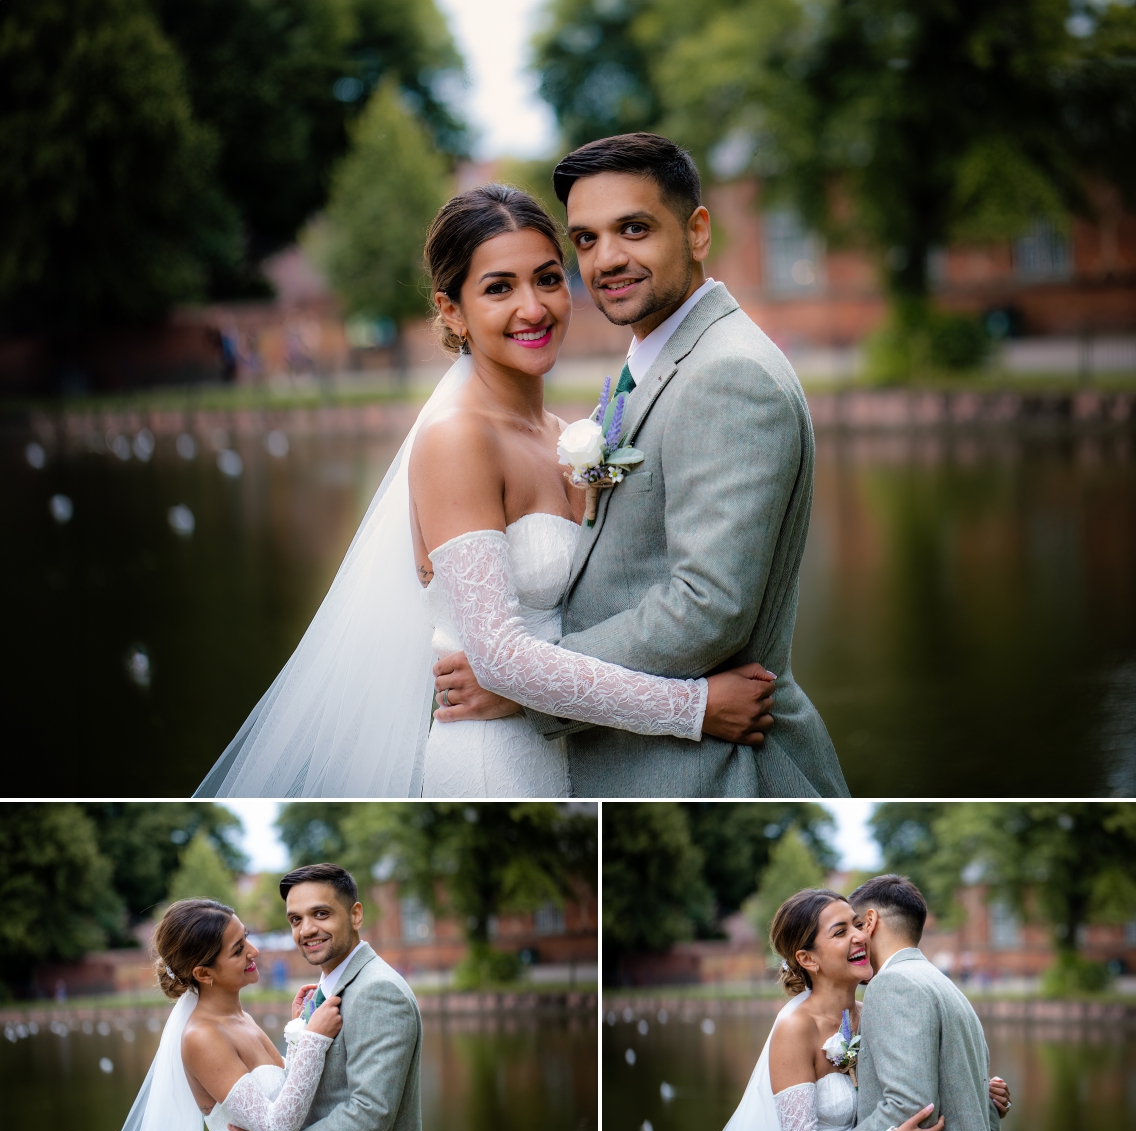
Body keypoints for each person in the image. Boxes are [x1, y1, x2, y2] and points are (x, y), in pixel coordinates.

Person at [194, 180, 782, 800]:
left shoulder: (566, 435)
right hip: (492, 763)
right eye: (499, 288)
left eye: (548, 279)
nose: (533, 308)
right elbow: (499, 656)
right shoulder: (457, 441)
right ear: (452, 311)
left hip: (567, 750)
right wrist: (693, 708)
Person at [678, 889, 1009, 1131]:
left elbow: (916, 1096)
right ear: (808, 959)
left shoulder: (877, 1013)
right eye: (840, 932)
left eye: (857, 924)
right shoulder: (795, 1028)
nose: (860, 936)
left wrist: (982, 1098)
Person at [88, 896, 346, 1131]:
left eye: (245, 937)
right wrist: (315, 1042)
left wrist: (300, 1030)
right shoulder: (203, 1037)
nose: (254, 951)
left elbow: (283, 1096)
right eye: (238, 950)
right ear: (203, 974)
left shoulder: (241, 1019)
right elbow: (278, 1130)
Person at [214, 863, 431, 1131]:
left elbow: (371, 1112)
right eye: (296, 920)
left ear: (355, 915)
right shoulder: (328, 990)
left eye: (321, 914)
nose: (306, 930)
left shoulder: (377, 990)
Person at [828, 875, 1008, 1131]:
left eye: (854, 927)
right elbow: (986, 1124)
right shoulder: (947, 987)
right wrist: (987, 1100)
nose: (852, 940)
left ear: (870, 922)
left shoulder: (893, 984)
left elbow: (910, 1109)